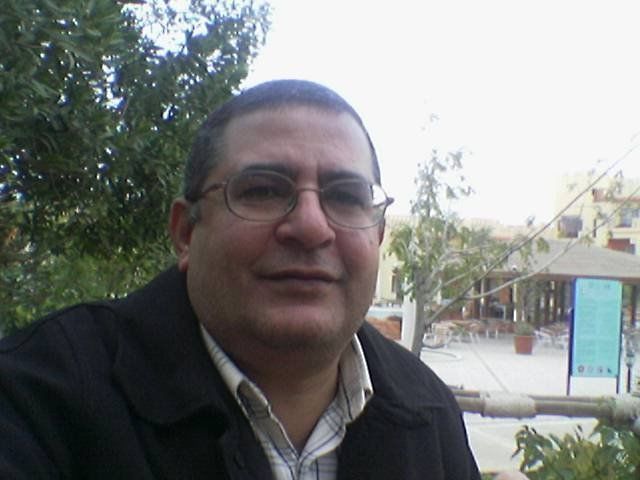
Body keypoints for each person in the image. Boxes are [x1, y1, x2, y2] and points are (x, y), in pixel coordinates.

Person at [0, 79, 481, 479]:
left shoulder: (430, 414)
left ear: (377, 234)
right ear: (186, 233)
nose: (311, 227)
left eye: (345, 196)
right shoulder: (38, 402)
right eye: (263, 190)